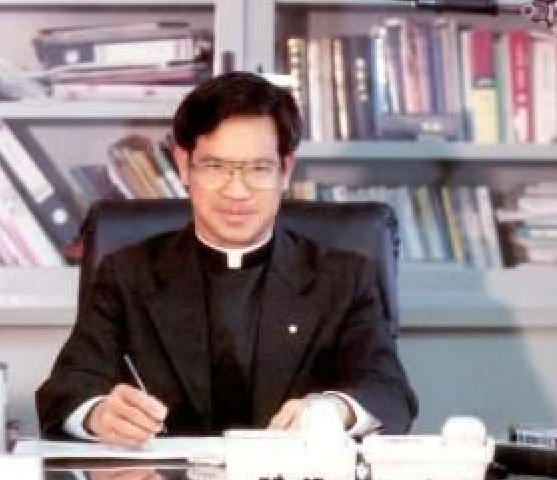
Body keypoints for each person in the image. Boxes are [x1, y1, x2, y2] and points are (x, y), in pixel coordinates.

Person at [36, 71, 418, 447]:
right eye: (215, 167)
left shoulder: (343, 277)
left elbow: (389, 392)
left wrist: (333, 411)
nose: (237, 191)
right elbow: (65, 390)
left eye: (259, 168)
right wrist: (99, 413)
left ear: (285, 170)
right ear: (183, 166)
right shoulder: (127, 273)